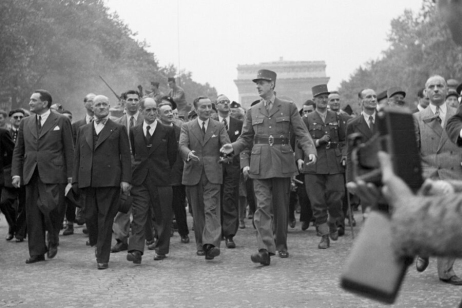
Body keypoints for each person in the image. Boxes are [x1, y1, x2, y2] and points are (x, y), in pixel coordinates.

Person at [220, 69, 316, 265]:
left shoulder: (289, 107)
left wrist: (310, 151)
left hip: (282, 162)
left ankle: (281, 244)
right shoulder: (252, 111)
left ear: (272, 84)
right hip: (260, 163)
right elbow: (245, 138)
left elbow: (301, 133)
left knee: (281, 208)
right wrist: (233, 147)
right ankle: (264, 249)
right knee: (262, 207)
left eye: (261, 82)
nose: (257, 86)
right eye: (256, 83)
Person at [12, 89, 74, 264]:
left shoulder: (61, 120)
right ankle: (37, 252)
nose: (30, 103)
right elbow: (19, 150)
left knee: (51, 208)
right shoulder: (25, 122)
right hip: (31, 173)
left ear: (44, 103)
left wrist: (71, 176)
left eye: (33, 100)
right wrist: (16, 173)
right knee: (32, 213)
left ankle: (53, 237)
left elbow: (69, 149)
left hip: (54, 173)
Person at [412, 75, 462, 285]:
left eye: (440, 86)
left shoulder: (457, 116)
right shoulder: (417, 118)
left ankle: (446, 271)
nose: (435, 90)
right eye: (431, 87)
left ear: (446, 91)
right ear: (425, 92)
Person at [73, 95, 131, 270]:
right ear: (92, 107)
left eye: (105, 104)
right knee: (90, 216)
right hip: (87, 180)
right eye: (98, 104)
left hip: (109, 180)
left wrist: (126, 179)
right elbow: (78, 156)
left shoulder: (118, 129)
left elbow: (126, 156)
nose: (101, 107)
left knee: (105, 218)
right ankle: (97, 242)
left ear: (109, 107)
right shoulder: (83, 129)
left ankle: (102, 256)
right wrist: (75, 179)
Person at [126, 97, 177, 264]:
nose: (152, 113)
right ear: (142, 111)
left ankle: (161, 249)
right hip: (140, 179)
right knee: (139, 215)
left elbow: (172, 155)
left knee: (162, 215)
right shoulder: (134, 131)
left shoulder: (167, 131)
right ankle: (135, 250)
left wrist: (162, 170)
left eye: (154, 109)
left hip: (161, 178)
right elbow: (136, 153)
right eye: (148, 110)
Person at [179, 96, 230, 260]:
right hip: (193, 171)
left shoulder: (219, 126)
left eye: (209, 107)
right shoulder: (187, 126)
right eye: (203, 107)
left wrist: (225, 156)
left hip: (213, 172)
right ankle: (200, 244)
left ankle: (211, 244)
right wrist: (188, 154)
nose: (207, 110)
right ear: (195, 108)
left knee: (211, 209)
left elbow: (226, 145)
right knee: (198, 211)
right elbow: (182, 145)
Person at [296, 85, 347, 249]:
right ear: (315, 100)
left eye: (326, 97)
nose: (324, 100)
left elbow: (345, 140)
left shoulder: (338, 118)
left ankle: (333, 222)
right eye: (320, 97)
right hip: (314, 163)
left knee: (336, 197)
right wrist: (299, 159)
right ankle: (324, 235)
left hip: (334, 163)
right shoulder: (306, 119)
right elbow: (300, 141)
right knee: (317, 202)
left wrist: (345, 155)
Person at [111, 89, 144, 253]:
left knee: (144, 204)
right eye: (129, 99)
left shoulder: (148, 120)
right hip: (123, 168)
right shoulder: (117, 123)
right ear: (123, 102)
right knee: (122, 204)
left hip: (144, 168)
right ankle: (121, 238)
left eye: (135, 99)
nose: (133, 102)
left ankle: (147, 237)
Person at [157, 96, 190, 244]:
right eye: (166, 112)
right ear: (159, 115)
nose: (170, 114)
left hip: (177, 173)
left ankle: (183, 232)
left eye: (171, 111)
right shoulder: (155, 131)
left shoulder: (180, 130)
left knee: (179, 205)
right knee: (161, 206)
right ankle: (164, 231)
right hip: (160, 174)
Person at [345, 89, 379, 222]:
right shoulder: (353, 124)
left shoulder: (384, 120)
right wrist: (350, 180)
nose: (373, 99)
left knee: (385, 210)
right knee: (368, 211)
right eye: (369, 97)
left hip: (383, 171)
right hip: (365, 173)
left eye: (375, 97)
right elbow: (349, 153)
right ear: (360, 101)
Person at [216, 94, 243, 248]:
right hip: (216, 166)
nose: (225, 104)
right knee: (216, 198)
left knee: (230, 197)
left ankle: (230, 233)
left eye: (227, 102)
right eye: (222, 102)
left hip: (232, 166)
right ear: (216, 106)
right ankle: (218, 230)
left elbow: (243, 142)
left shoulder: (238, 123)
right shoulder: (212, 123)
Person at [70, 93, 96, 232]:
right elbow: (73, 149)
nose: (93, 104)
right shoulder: (76, 126)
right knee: (86, 198)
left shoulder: (108, 124)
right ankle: (89, 224)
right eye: (90, 101)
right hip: (83, 168)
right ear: (85, 103)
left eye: (95, 101)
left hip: (100, 168)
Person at [328, 91, 351, 236]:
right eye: (332, 100)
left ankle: (340, 223)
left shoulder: (346, 118)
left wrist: (345, 155)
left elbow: (347, 140)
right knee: (331, 194)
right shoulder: (324, 118)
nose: (335, 102)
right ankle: (333, 221)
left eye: (337, 100)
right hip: (328, 160)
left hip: (343, 160)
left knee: (342, 193)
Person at [0, 127, 19, 241]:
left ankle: (13, 226)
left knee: (4, 202)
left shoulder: (2, 133)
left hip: (3, 175)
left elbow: (14, 153)